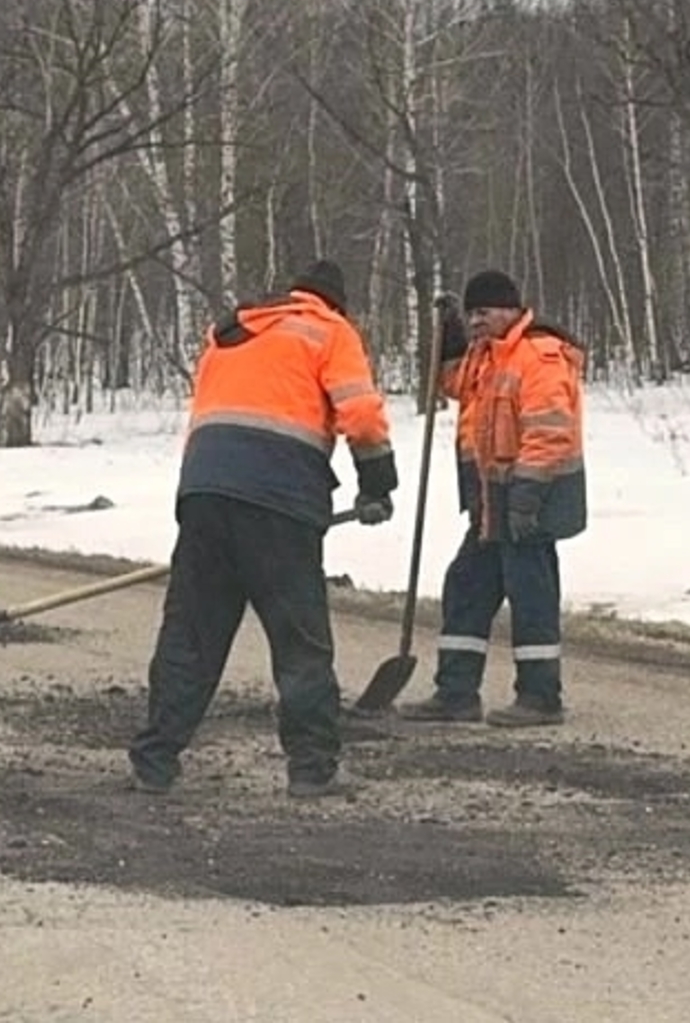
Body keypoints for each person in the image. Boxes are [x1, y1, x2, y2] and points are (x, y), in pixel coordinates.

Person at [127, 260, 399, 799]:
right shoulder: (329, 330)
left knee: (191, 635)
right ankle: (312, 768)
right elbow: (363, 416)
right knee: (299, 641)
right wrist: (377, 485)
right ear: (335, 302)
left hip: (204, 492)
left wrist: (209, 494)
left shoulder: (231, 332)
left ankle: (154, 761)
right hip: (279, 501)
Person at [398, 268, 587, 728]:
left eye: (483, 312)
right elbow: (453, 383)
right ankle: (456, 693)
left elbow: (550, 432)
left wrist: (527, 496)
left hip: (529, 500)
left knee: (531, 595)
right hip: (492, 500)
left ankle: (541, 698)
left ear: (510, 310)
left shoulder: (538, 356)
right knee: (467, 586)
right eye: (471, 314)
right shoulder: (485, 357)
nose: (476, 321)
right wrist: (449, 338)